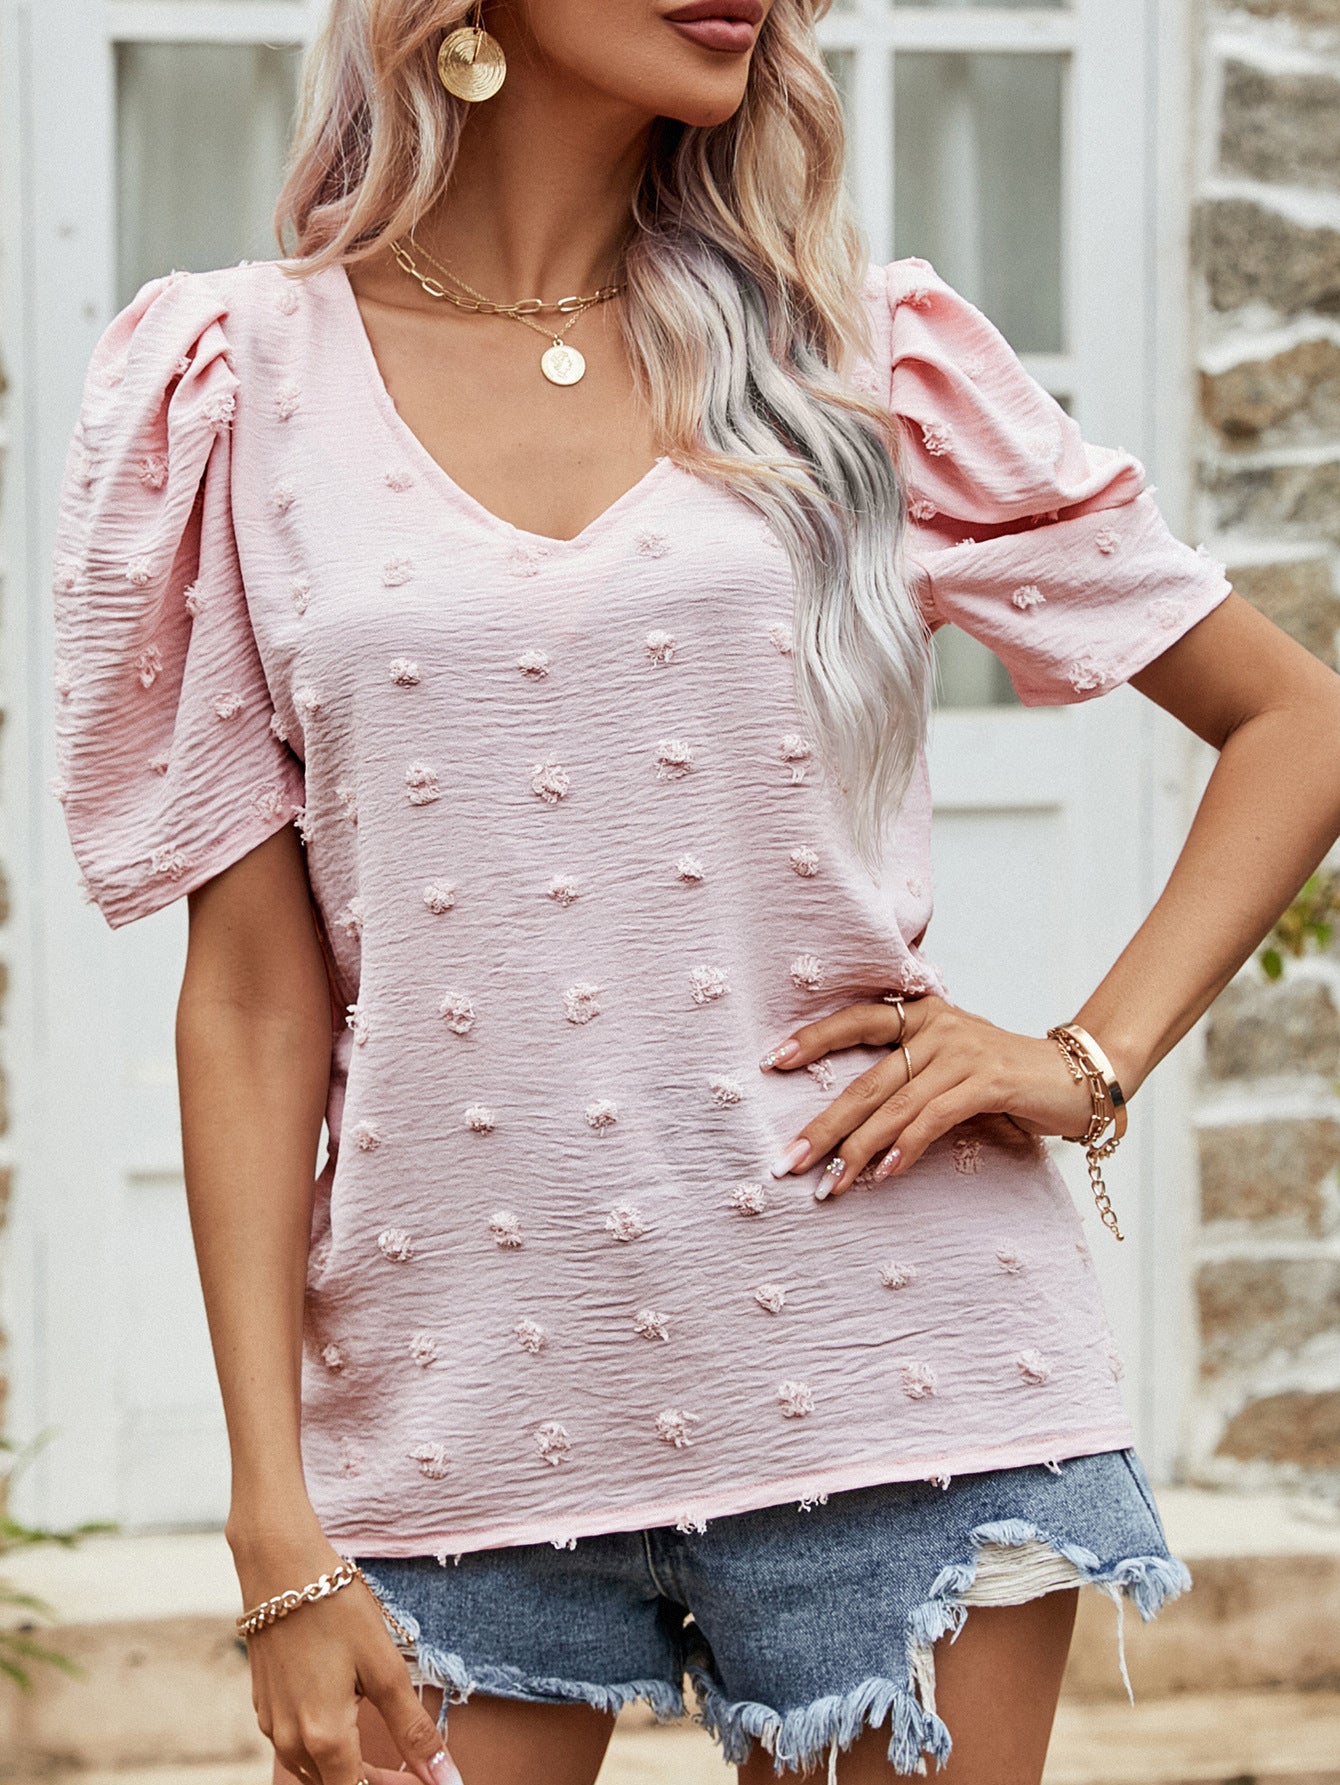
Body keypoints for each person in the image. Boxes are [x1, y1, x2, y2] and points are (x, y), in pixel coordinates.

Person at [49, 2, 1340, 1781]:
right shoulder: (236, 382)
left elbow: (1295, 720)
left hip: (899, 1383)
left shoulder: (862, 358)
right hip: (447, 1418)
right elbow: (259, 998)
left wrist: (1084, 1060)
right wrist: (270, 1511)